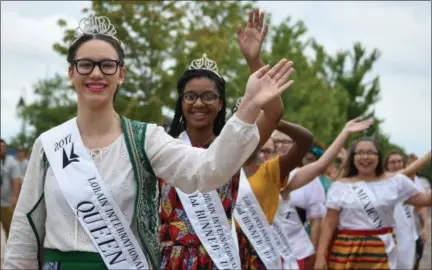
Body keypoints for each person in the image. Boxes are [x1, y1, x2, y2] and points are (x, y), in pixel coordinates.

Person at [3, 15, 294, 270]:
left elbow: (207, 171)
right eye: (84, 64)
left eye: (107, 65)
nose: (95, 73)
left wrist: (248, 106)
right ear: (70, 73)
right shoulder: (49, 145)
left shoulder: (146, 139)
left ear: (121, 74)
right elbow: (23, 235)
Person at [159, 8, 295, 270]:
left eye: (208, 96)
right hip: (170, 261)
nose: (199, 104)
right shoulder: (163, 146)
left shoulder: (236, 144)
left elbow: (274, 112)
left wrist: (253, 60)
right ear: (181, 102)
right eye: (190, 96)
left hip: (219, 258)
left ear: (220, 103)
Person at [315, 139, 432, 270]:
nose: (365, 157)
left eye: (370, 152)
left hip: (381, 250)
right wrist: (320, 256)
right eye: (360, 153)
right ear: (353, 158)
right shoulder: (339, 186)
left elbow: (425, 200)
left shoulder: (396, 182)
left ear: (378, 157)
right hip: (346, 251)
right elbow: (329, 223)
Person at [276, 118, 373, 270]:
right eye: (275, 142)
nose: (280, 146)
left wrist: (345, 132)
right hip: (258, 251)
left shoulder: (289, 177)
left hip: (293, 254)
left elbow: (321, 164)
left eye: (284, 142)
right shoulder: (249, 175)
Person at [1, 138, 22, 238]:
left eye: (4, 147)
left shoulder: (11, 162)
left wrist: (15, 196)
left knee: (9, 228)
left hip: (7, 202)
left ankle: (9, 251)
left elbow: (16, 181)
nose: (2, 149)